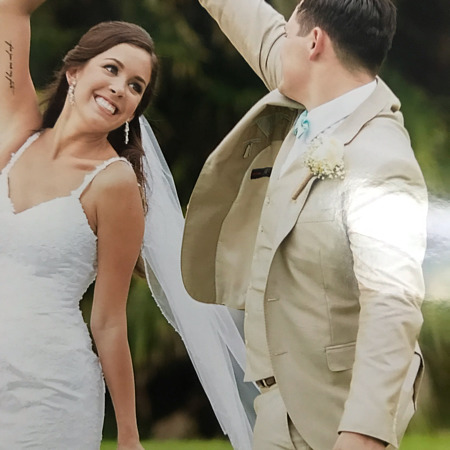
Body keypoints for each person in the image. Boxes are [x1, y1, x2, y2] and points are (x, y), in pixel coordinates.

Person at [181, 0, 428, 449]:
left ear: (314, 42)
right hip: (277, 407)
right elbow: (249, 20)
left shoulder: (383, 161)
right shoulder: (319, 94)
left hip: (329, 417)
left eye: (288, 32)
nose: (279, 43)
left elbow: (393, 304)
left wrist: (363, 431)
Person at [0, 0, 157, 448]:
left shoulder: (114, 183)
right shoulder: (18, 132)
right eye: (111, 69)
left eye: (135, 86)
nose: (119, 88)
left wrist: (128, 434)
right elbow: (10, 11)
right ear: (74, 72)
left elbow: (108, 320)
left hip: (50, 392)